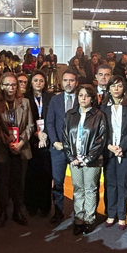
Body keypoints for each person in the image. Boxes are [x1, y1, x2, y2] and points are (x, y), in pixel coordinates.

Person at [0, 72, 34, 227]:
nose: (11, 88)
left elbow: (30, 126)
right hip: (2, 149)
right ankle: (3, 211)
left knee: (19, 182)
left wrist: (20, 143)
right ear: (1, 86)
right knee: (2, 183)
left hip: (21, 148)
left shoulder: (25, 102)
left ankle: (18, 210)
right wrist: (9, 142)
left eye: (14, 84)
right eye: (7, 84)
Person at [64, 84, 108, 234]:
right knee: (77, 189)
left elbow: (101, 140)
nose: (83, 98)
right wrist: (71, 157)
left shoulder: (99, 115)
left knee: (90, 189)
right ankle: (78, 219)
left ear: (92, 98)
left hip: (92, 161)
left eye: (87, 96)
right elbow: (65, 137)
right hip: (75, 160)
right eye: (81, 95)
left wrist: (88, 159)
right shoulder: (70, 114)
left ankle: (89, 219)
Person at [43, 69, 80, 224]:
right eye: (65, 80)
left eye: (71, 80)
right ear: (62, 82)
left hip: (77, 149)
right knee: (57, 182)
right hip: (57, 148)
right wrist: (54, 141)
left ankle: (80, 214)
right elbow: (49, 123)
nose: (68, 83)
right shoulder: (55, 100)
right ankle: (58, 212)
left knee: (78, 184)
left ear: (76, 82)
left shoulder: (82, 98)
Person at [102, 76, 127, 228]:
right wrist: (110, 146)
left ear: (123, 88)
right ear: (109, 88)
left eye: (119, 86)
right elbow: (101, 129)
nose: (116, 89)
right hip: (109, 150)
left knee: (123, 183)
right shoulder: (103, 105)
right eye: (113, 86)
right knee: (110, 183)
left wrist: (122, 146)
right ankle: (111, 214)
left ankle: (122, 215)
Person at [24, 71, 53, 216]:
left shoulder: (50, 98)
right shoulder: (25, 98)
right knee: (31, 174)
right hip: (31, 139)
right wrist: (36, 134)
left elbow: (53, 117)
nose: (38, 83)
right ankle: (31, 205)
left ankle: (45, 206)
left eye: (41, 81)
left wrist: (45, 133)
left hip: (46, 140)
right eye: (35, 80)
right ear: (31, 82)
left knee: (46, 174)